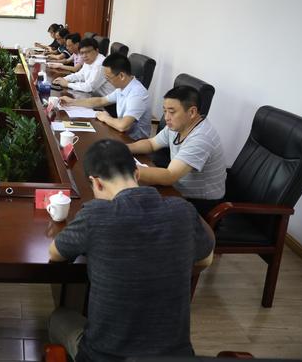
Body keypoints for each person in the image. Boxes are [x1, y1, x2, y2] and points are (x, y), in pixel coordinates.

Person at [48, 139, 215, 362]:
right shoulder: (182, 210)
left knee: (59, 317)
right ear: (137, 174)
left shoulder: (96, 215)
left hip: (105, 357)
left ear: (96, 183)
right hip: (174, 357)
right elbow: (206, 260)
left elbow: (55, 253)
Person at [127, 85, 227, 216]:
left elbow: (170, 176)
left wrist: (123, 168)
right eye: (165, 111)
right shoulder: (178, 125)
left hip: (199, 203)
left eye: (172, 112)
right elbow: (151, 144)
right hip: (177, 188)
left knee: (135, 208)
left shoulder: (201, 138)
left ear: (192, 112)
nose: (166, 117)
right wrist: (122, 149)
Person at [59, 53, 151, 140]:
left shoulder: (137, 93)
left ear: (121, 76)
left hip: (133, 141)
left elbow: (123, 126)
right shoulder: (123, 87)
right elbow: (101, 101)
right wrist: (72, 102)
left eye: (108, 78)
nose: (107, 81)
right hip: (119, 134)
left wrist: (105, 117)